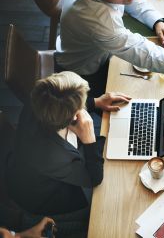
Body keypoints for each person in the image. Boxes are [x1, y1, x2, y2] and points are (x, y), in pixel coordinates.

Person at [6, 72, 126, 236]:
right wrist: (89, 140)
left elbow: (60, 103)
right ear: (73, 115)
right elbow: (94, 178)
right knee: (101, 216)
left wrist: (96, 102)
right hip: (41, 200)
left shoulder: (39, 100)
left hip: (22, 170)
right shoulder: (54, 156)